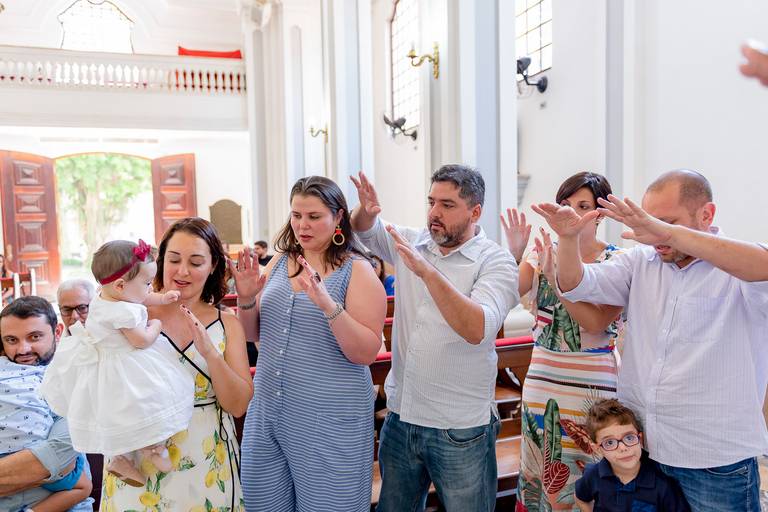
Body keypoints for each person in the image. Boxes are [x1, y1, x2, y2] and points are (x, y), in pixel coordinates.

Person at [534, 169, 768, 511]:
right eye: (648, 222)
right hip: (646, 453)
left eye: (666, 222)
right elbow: (578, 283)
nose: (654, 234)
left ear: (707, 214)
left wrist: (669, 233)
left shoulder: (737, 267)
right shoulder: (639, 262)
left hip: (713, 460)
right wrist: (568, 240)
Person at [350, 166, 518, 512]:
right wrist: (364, 212)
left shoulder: (495, 260)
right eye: (431, 202)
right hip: (402, 418)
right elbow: (365, 231)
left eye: (447, 205)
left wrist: (428, 272)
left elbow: (477, 328)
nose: (434, 214)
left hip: (461, 427)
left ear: (475, 212)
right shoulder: (413, 242)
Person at [235, 176, 385, 512]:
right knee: (262, 504)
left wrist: (328, 306)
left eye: (314, 216)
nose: (303, 225)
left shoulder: (358, 271)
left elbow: (365, 353)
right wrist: (246, 298)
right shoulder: (277, 263)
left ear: (338, 218)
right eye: (296, 215)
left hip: (329, 418)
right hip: (269, 412)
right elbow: (254, 334)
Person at [99, 219, 252, 511]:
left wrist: (210, 353)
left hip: (206, 456)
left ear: (212, 265)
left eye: (195, 262)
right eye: (174, 259)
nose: (183, 272)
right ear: (159, 260)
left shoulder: (226, 324)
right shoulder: (129, 315)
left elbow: (238, 405)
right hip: (138, 458)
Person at [505, 172, 624, 511]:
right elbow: (508, 293)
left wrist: (556, 279)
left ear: (600, 214)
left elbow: (597, 321)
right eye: (566, 204)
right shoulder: (542, 250)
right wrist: (514, 256)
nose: (571, 212)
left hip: (591, 379)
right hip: (543, 376)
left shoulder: (616, 260)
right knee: (540, 463)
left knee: (589, 463)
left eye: (583, 205)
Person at [41, 239, 193, 487]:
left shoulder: (105, 296)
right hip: (126, 366)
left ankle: (120, 459)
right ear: (121, 285)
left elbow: (141, 297)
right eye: (146, 283)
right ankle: (152, 448)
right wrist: (156, 325)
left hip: (105, 369)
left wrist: (163, 299)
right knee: (145, 403)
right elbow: (141, 341)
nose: (149, 289)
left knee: (117, 417)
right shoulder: (124, 313)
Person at [0, 296, 94, 512]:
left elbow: (61, 455)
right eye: (12, 340)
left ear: (57, 332)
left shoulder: (76, 379)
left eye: (35, 337)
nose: (23, 350)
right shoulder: (8, 377)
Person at [574, 399, 689, 511]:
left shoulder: (663, 483)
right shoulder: (593, 475)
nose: (623, 448)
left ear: (640, 438)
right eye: (610, 442)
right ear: (597, 449)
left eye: (629, 437)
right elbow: (580, 498)